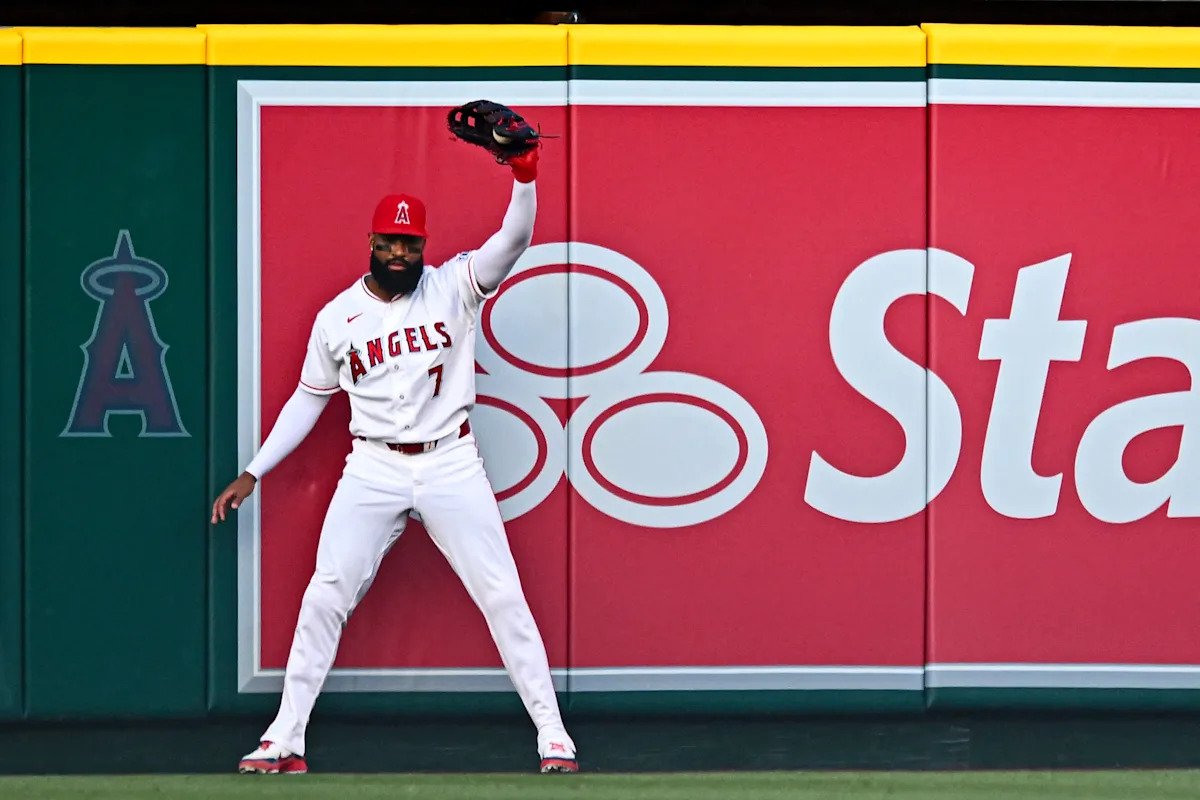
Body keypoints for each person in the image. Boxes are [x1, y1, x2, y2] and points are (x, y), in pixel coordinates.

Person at [210, 140, 578, 775]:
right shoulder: (338, 319)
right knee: (325, 593)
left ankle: (554, 737)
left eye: (411, 243)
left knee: (502, 595)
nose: (401, 252)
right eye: (391, 242)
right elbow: (308, 399)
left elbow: (514, 239)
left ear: (423, 245)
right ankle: (284, 738)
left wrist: (524, 173)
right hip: (373, 466)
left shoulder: (455, 286)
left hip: (450, 461)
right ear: (372, 243)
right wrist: (254, 471)